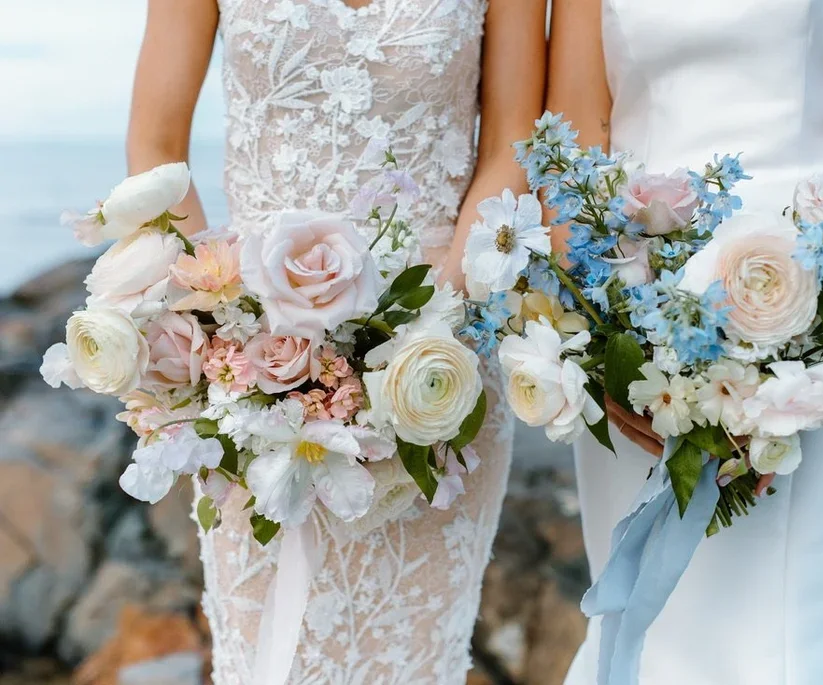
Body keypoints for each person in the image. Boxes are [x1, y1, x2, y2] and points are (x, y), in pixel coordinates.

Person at [126, 0, 545, 682]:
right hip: (254, 372)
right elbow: (154, 147)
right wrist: (220, 319)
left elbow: (512, 144)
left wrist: (417, 335)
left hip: (434, 369)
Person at [546, 0, 823, 682]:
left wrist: (799, 329)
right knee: (658, 639)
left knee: (810, 642)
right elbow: (574, 141)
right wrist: (610, 341)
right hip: (644, 343)